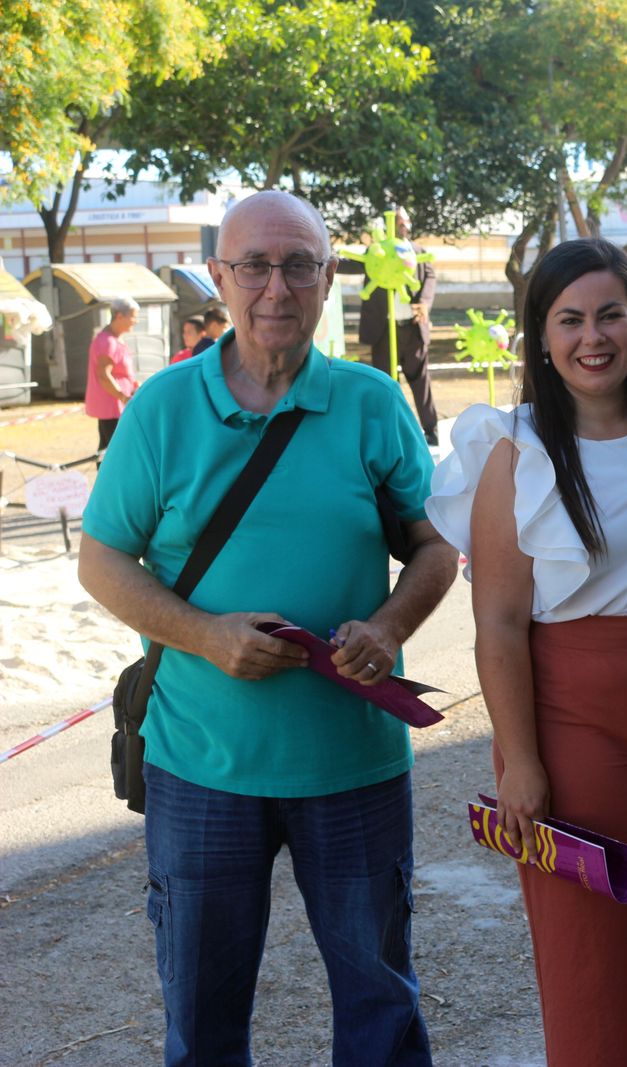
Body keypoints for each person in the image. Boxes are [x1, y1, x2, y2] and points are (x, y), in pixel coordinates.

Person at [77, 190, 457, 1066]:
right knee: (203, 1021)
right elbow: (102, 562)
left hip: (352, 764)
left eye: (298, 265)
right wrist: (206, 635)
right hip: (200, 766)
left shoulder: (371, 402)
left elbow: (437, 550)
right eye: (254, 265)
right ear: (220, 277)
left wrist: (391, 625)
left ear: (328, 277)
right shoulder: (162, 409)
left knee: (380, 1011)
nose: (275, 287)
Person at [425, 237, 627, 1067]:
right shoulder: (516, 450)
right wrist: (521, 762)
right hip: (569, 719)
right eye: (568, 319)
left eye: (610, 312)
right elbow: (497, 623)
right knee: (586, 979)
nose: (591, 335)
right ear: (541, 335)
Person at [352, 207, 440, 445]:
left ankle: (431, 431)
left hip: (412, 328)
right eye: (399, 221)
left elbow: (430, 277)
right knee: (384, 384)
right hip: (383, 330)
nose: (403, 224)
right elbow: (353, 263)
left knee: (421, 381)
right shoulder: (376, 252)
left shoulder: (418, 251)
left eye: (406, 221)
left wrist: (424, 303)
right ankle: (389, 436)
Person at [85, 295, 139, 451]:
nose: (135, 321)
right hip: (112, 407)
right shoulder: (107, 341)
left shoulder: (115, 339)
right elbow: (104, 375)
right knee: (115, 449)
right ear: (119, 316)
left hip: (116, 406)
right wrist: (123, 396)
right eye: (133, 317)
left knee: (107, 448)